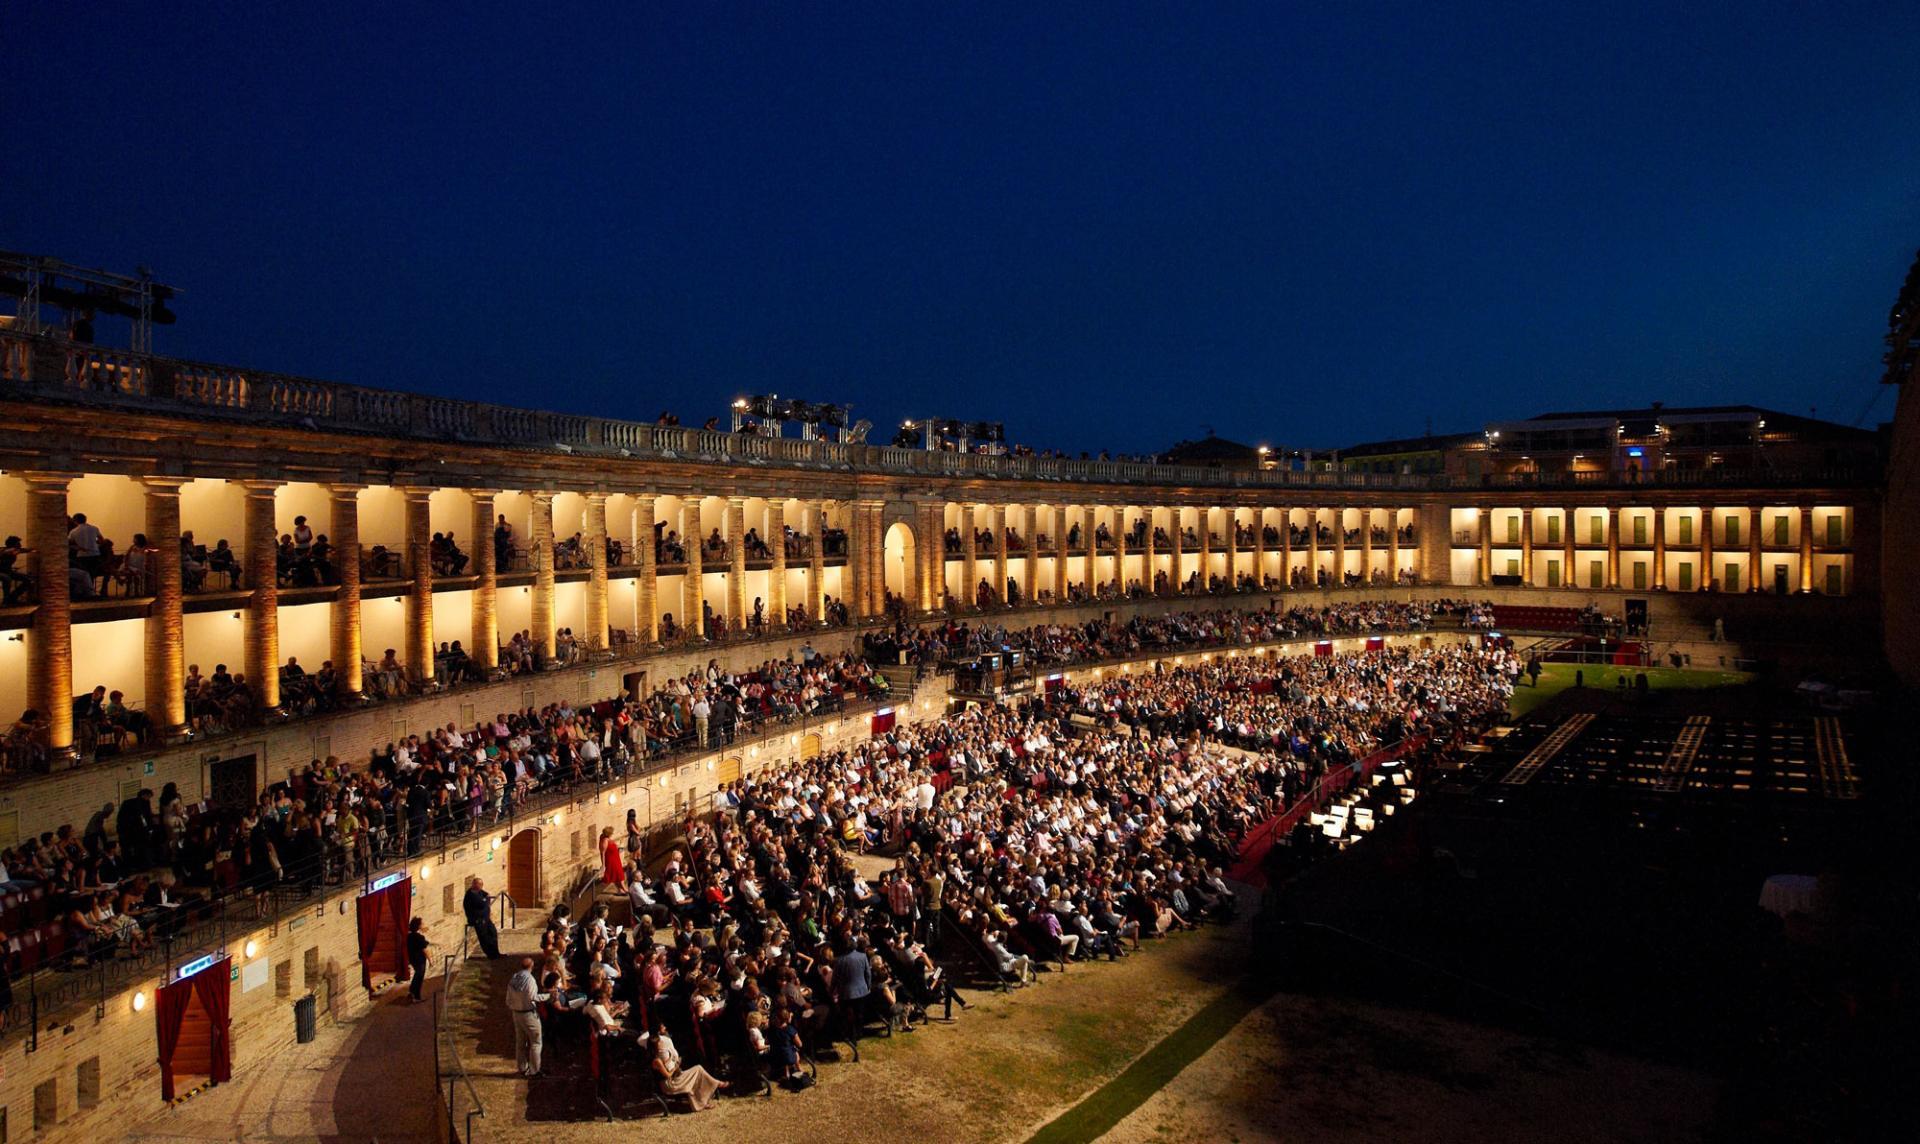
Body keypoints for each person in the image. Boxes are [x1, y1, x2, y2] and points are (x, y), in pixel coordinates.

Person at [650, 1021, 726, 1110]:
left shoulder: (660, 1056)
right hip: (669, 1084)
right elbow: (668, 1075)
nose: (661, 1044)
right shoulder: (657, 1060)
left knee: (698, 1070)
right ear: (655, 1046)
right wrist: (676, 1066)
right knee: (698, 1070)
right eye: (659, 1043)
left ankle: (703, 1101)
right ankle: (716, 1085)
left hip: (674, 1079)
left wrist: (675, 1062)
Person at [505, 957, 549, 1077]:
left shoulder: (514, 978)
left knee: (520, 1042)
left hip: (516, 1013)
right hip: (528, 1013)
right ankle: (535, 1070)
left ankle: (522, 1068)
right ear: (532, 966)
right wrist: (548, 996)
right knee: (536, 1042)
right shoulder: (530, 980)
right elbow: (533, 997)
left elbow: (508, 998)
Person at [464, 876, 501, 959]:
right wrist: (486, 900)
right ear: (474, 884)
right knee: (485, 938)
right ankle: (491, 955)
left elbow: (486, 895)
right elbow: (483, 904)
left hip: (486, 919)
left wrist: (486, 898)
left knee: (493, 933)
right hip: (478, 920)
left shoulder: (479, 892)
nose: (481, 886)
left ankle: (496, 953)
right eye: (479, 884)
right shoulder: (471, 895)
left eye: (481, 884)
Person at [406, 917, 431, 1003]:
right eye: (422, 924)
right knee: (419, 977)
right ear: (418, 926)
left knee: (417, 975)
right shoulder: (420, 937)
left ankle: (411, 992)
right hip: (420, 959)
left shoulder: (409, 936)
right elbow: (424, 950)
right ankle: (416, 996)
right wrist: (430, 961)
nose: (423, 925)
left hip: (412, 959)